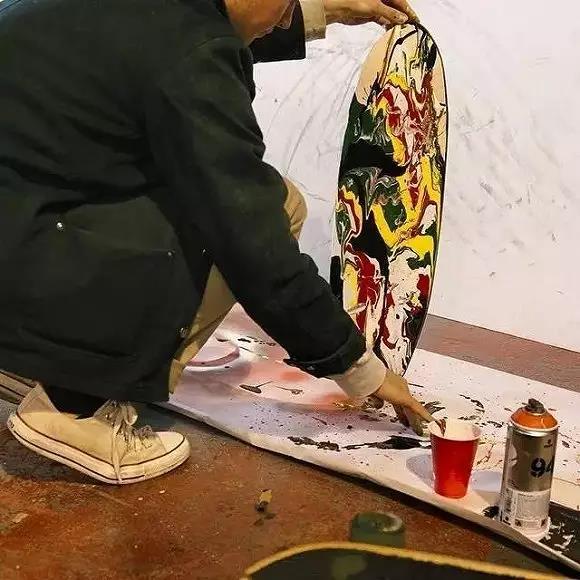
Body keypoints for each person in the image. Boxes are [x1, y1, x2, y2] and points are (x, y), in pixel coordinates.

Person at [0, 0, 433, 485]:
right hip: (31, 255)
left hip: (20, 225)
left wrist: (326, 12)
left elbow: (174, 38)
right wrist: (357, 367)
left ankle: (26, 358)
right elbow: (254, 246)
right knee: (257, 213)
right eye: (289, 1)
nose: (288, 16)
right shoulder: (191, 50)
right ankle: (75, 406)